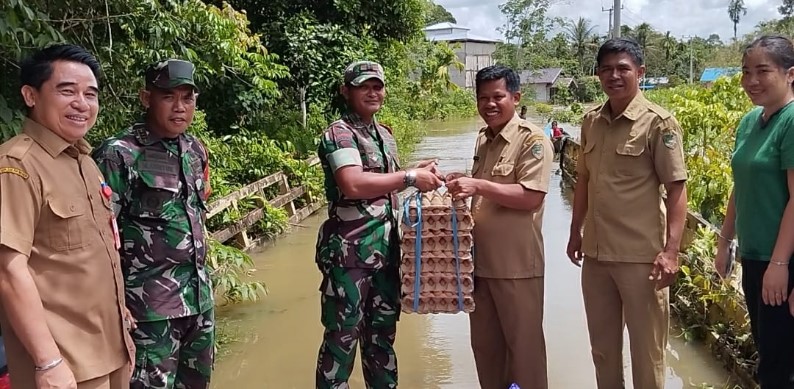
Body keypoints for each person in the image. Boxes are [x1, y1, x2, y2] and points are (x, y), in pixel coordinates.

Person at [0, 43, 135, 389]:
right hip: (67, 365)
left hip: (112, 349)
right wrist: (48, 362)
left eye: (91, 94)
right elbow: (8, 269)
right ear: (31, 95)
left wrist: (120, 313)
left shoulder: (85, 163)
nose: (82, 103)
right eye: (67, 91)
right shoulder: (17, 165)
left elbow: (90, 254)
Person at [566, 38, 688, 389]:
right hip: (597, 255)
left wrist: (671, 252)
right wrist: (576, 231)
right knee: (602, 351)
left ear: (640, 72)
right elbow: (584, 181)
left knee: (647, 355)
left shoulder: (658, 124)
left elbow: (677, 188)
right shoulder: (591, 121)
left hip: (641, 258)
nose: (614, 76)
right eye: (606, 69)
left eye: (623, 68)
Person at [314, 60, 443, 388]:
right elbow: (353, 184)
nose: (372, 92)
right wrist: (411, 176)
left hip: (387, 255)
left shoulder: (384, 134)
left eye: (377, 86)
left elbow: (385, 184)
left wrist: (414, 173)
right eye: (363, 86)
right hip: (350, 258)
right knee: (341, 340)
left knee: (381, 341)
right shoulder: (339, 133)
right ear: (346, 91)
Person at [92, 59, 214, 389]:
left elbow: (196, 216)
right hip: (148, 310)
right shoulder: (119, 154)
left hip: (199, 303)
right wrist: (116, 306)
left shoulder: (194, 149)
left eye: (187, 98)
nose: (179, 108)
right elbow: (99, 237)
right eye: (168, 97)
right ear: (146, 98)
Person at [446, 64, 553, 389]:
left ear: (516, 97)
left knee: (524, 354)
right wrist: (461, 181)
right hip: (478, 268)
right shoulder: (484, 140)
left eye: (497, 97)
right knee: (487, 352)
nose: (489, 105)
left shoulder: (532, 140)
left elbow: (530, 196)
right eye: (482, 98)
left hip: (517, 268)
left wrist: (478, 186)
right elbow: (483, 188)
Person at [715, 35, 794, 389]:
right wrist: (724, 240)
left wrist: (779, 265)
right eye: (746, 72)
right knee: (768, 352)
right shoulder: (750, 122)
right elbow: (740, 184)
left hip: (785, 263)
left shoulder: (791, 122)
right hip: (756, 257)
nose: (751, 81)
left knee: (780, 368)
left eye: (763, 71)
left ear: (790, 74)